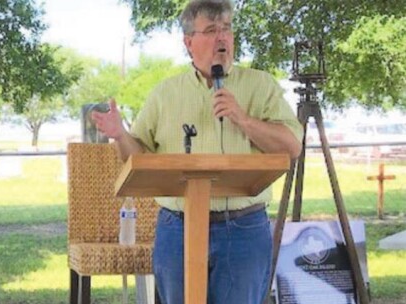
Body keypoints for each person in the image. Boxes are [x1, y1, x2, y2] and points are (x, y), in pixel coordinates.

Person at [91, 0, 303, 303]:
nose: (222, 38)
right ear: (189, 42)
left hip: (243, 227)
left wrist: (242, 119)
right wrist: (120, 135)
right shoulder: (165, 93)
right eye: (212, 30)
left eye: (227, 29)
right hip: (177, 227)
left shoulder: (261, 86)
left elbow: (291, 147)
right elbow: (137, 155)